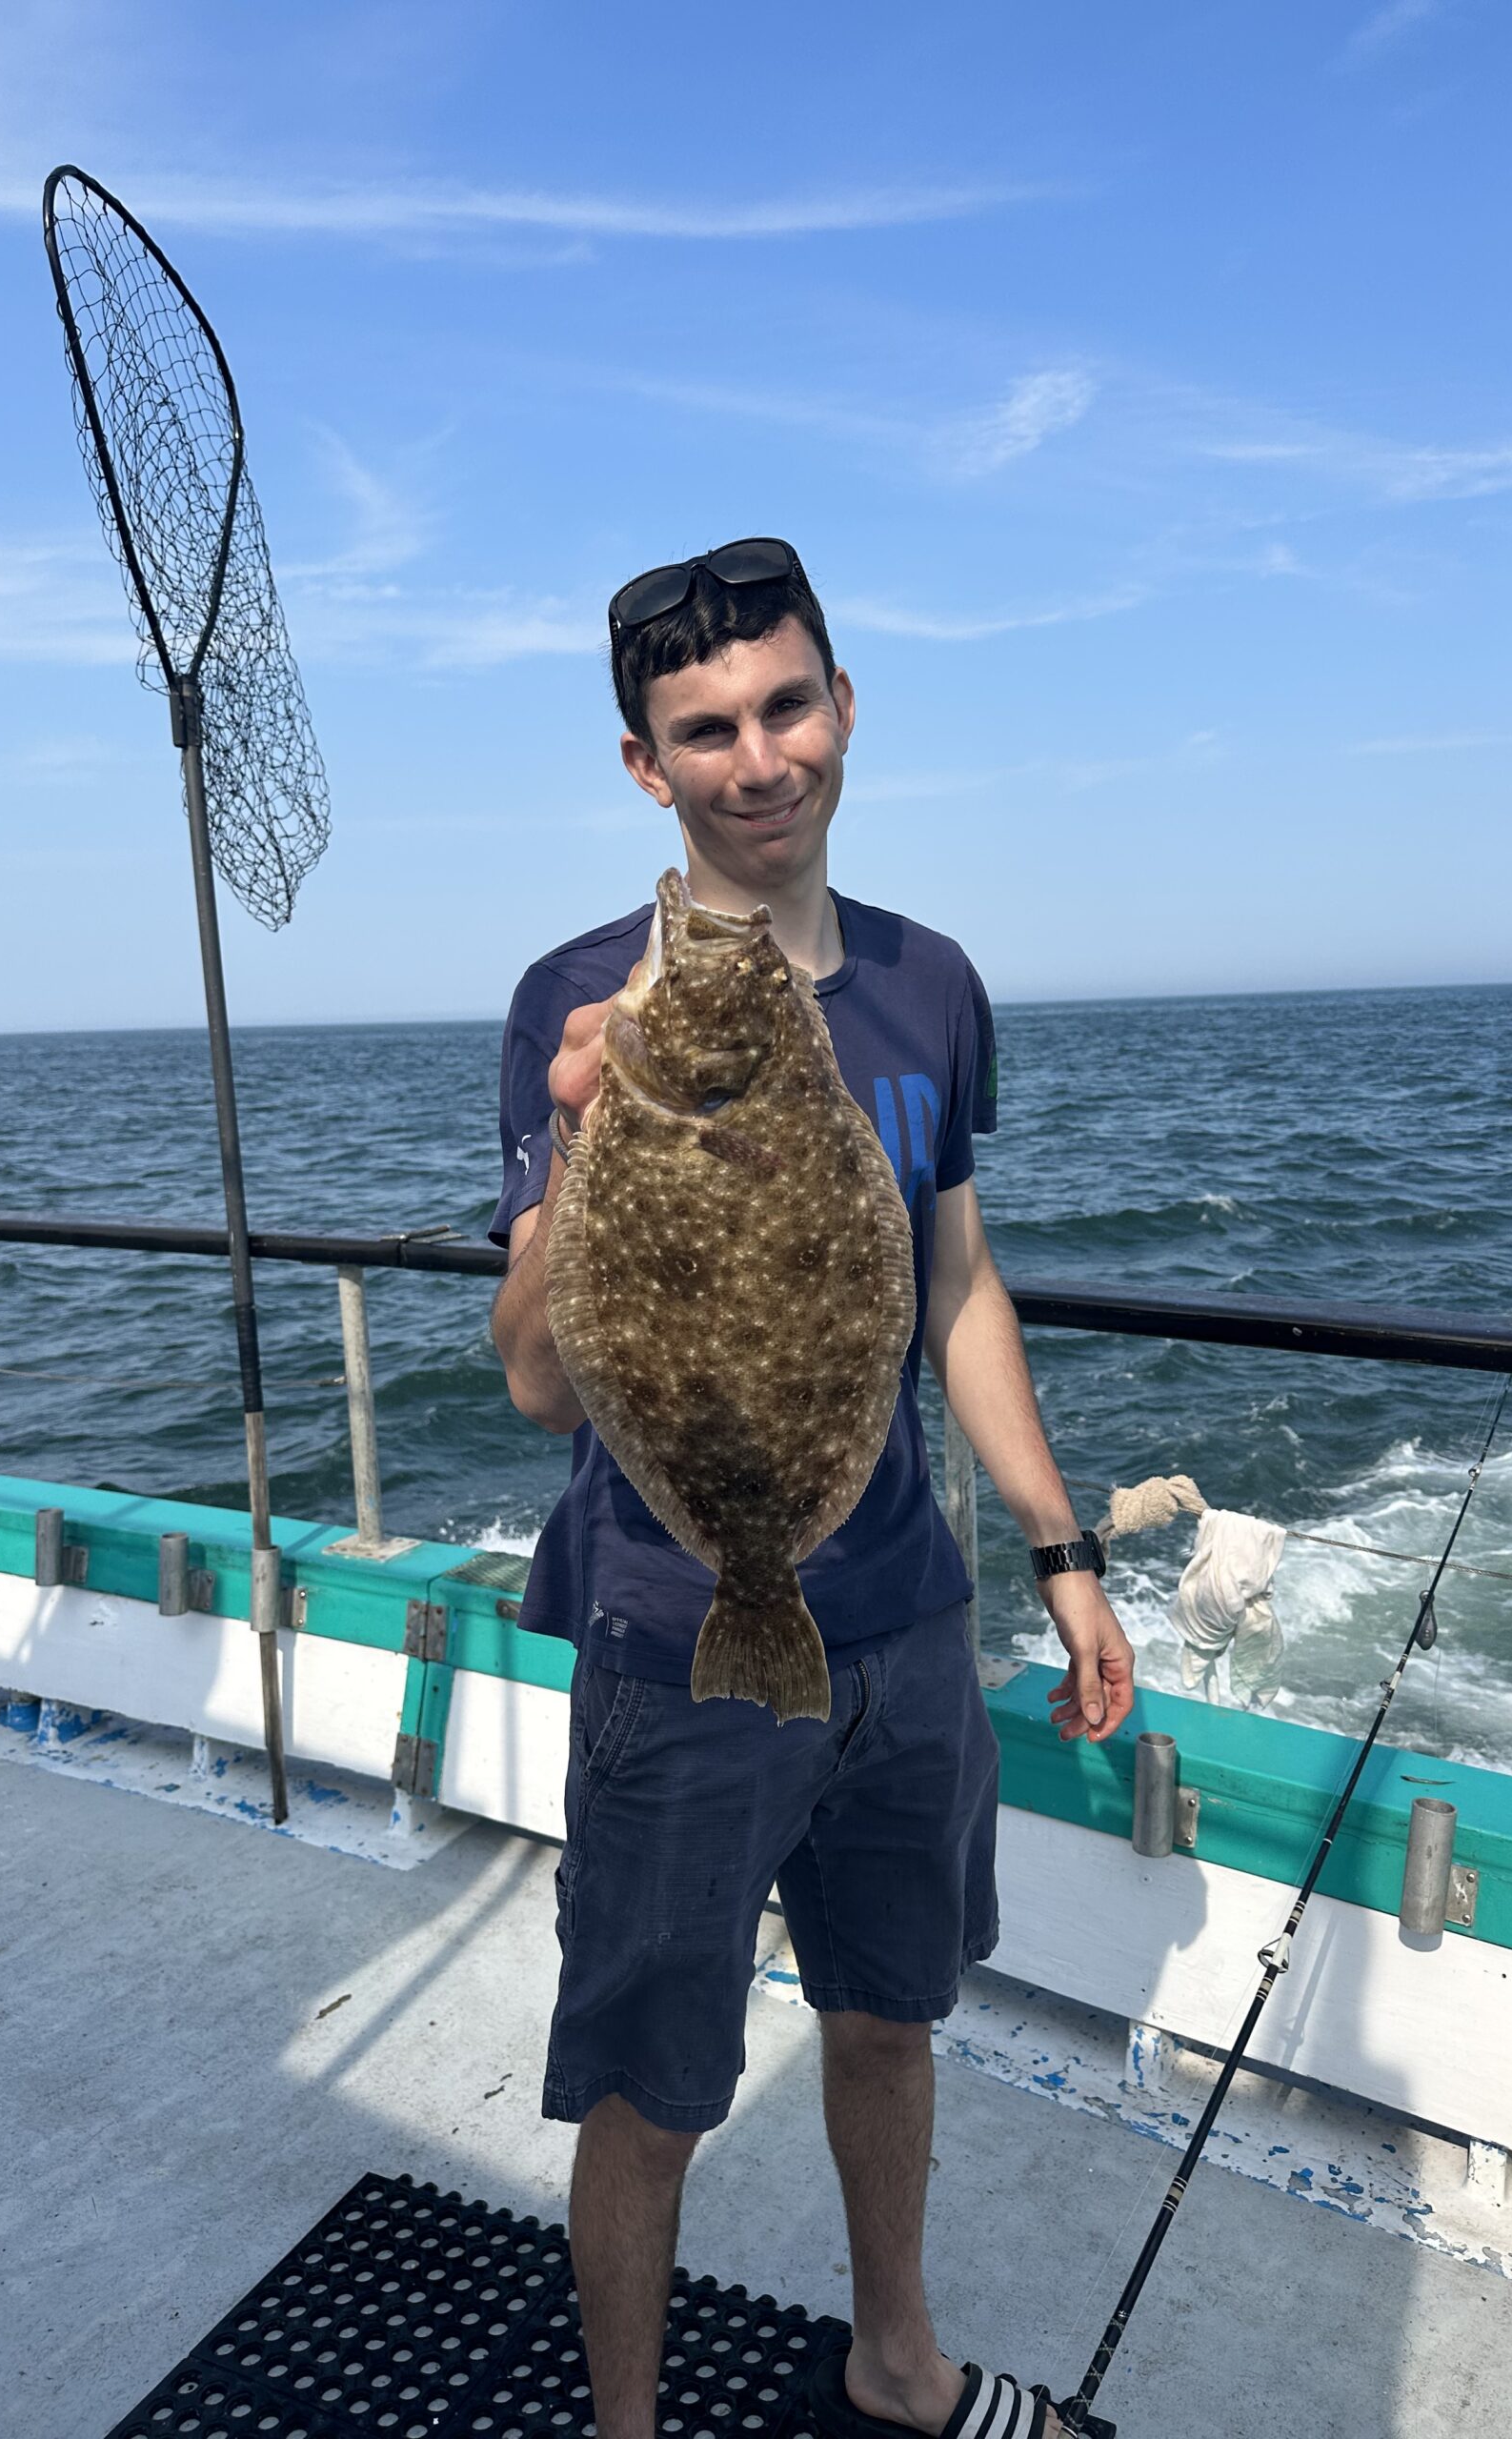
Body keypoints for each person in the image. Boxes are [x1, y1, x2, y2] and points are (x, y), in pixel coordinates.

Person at [491, 537, 1137, 2439]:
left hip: (905, 1622)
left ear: (843, 707)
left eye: (786, 707)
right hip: (678, 1627)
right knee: (652, 2067)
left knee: (890, 2006)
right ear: (645, 765)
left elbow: (951, 1285)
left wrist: (1064, 1552)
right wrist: (591, 1150)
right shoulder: (572, 1007)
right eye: (705, 731)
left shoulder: (933, 987)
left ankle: (898, 2359)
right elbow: (541, 1379)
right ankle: (627, 2424)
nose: (757, 760)